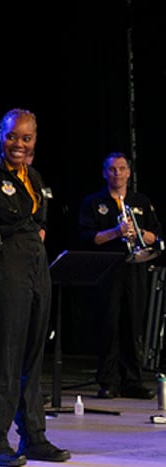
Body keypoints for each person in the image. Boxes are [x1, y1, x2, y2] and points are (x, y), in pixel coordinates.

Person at [0, 110, 69, 466]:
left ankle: (33, 436)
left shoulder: (34, 177)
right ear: (1, 136)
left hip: (35, 269)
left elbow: (40, 226)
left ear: (35, 140)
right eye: (12, 136)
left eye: (26, 138)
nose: (18, 144)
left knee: (31, 354)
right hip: (0, 267)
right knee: (0, 356)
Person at [76, 153, 160, 400]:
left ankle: (133, 381)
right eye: (112, 169)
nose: (117, 173)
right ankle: (108, 381)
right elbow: (87, 237)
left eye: (122, 169)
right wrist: (116, 232)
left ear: (129, 173)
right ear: (104, 173)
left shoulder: (141, 201)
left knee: (134, 326)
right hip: (107, 271)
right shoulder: (94, 202)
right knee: (109, 326)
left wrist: (140, 233)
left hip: (136, 267)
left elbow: (157, 236)